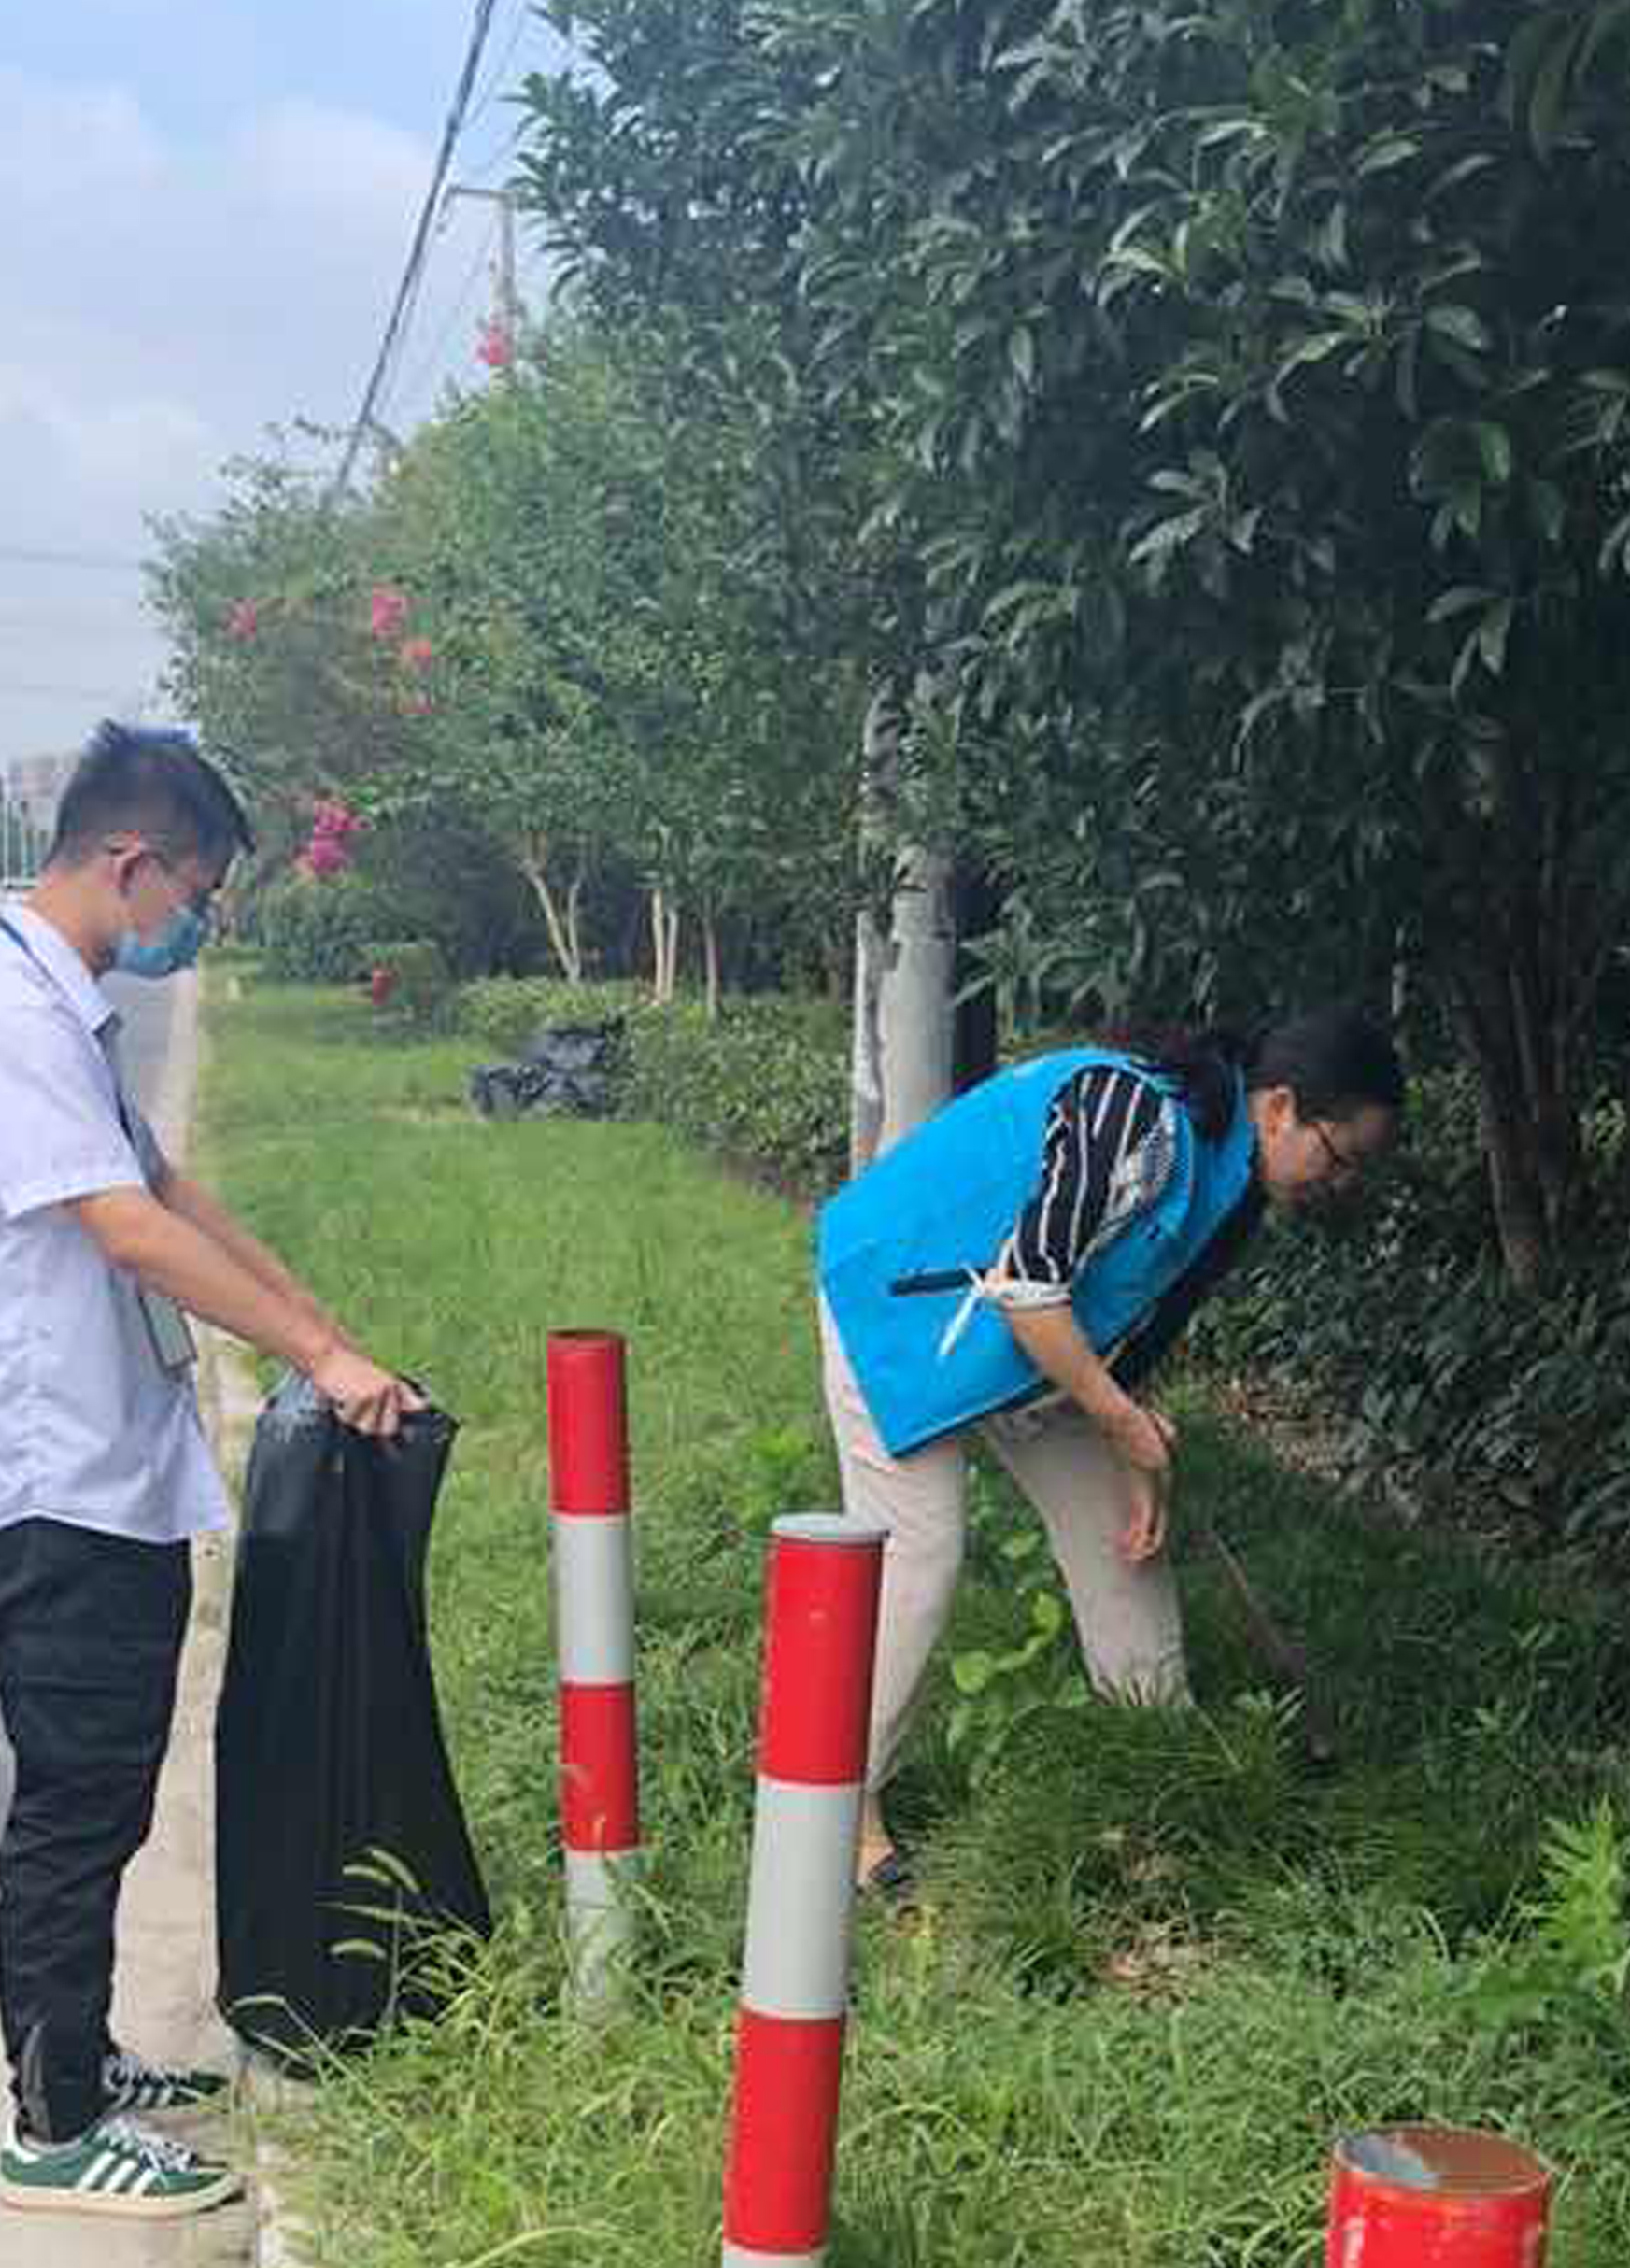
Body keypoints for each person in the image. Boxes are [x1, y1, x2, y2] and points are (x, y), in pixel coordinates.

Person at [0, 721, 422, 2220]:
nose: (202, 925)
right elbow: (126, 1229)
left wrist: (323, 1331)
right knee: (81, 1796)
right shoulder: (20, 1012)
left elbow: (166, 1186)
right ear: (131, 864)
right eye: (201, 895)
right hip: (58, 1482)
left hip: (92, 1462)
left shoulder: (63, 1007)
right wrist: (313, 1354)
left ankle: (69, 2047)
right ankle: (53, 2125)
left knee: (94, 1790)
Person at [815, 1005, 1405, 1894]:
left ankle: (1156, 1773)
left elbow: (1130, 1321)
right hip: (897, 1299)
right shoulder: (1134, 1115)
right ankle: (838, 1808)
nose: (1342, 1182)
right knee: (921, 1553)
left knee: (1124, 1538)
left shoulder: (1234, 1186)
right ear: (1281, 1108)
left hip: (1026, 1335)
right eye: (1341, 1155)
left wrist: (1131, 1442)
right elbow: (1027, 1284)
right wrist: (1119, 1420)